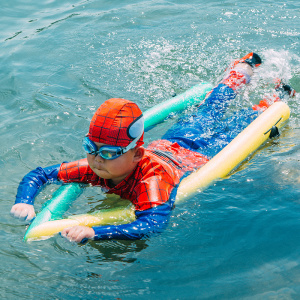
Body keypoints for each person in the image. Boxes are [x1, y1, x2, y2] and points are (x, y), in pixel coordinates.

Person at [10, 52, 294, 243]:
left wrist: (96, 232)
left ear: (137, 155)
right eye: (90, 147)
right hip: (177, 138)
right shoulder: (96, 166)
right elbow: (39, 174)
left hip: (200, 154)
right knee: (209, 107)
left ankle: (274, 89)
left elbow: (152, 223)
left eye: (108, 153)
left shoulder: (151, 181)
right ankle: (246, 65)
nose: (96, 159)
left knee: (242, 119)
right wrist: (24, 200)